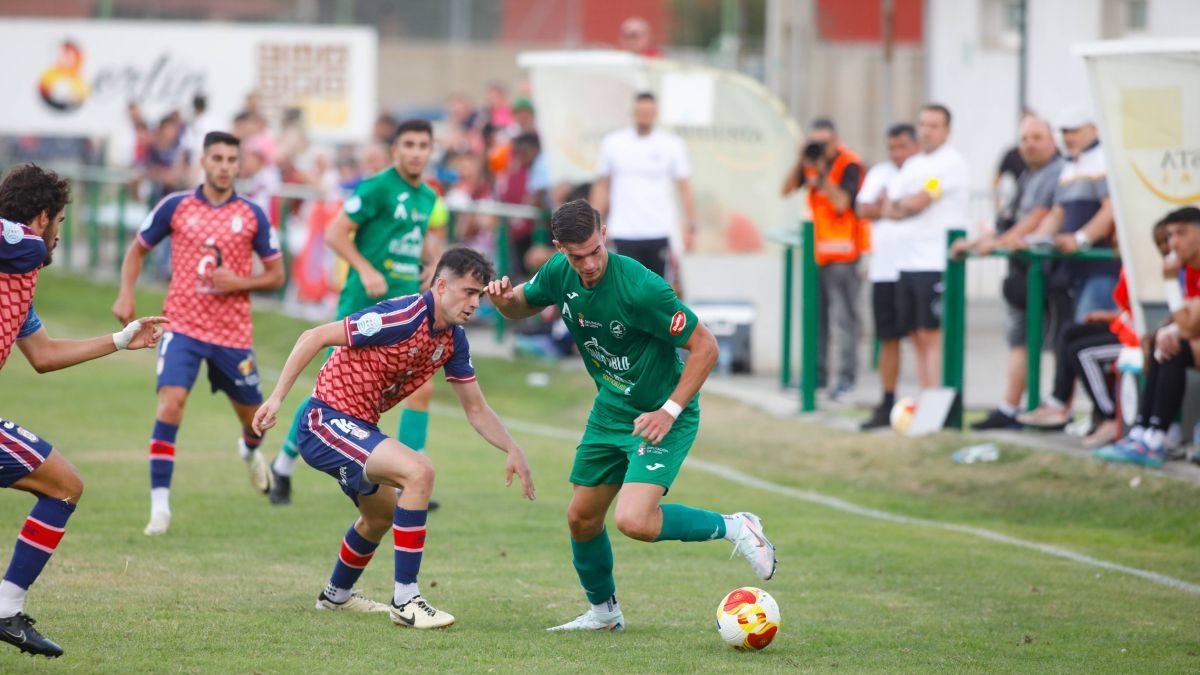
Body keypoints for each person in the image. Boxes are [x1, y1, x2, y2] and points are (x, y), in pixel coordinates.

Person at [485, 199, 776, 633]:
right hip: (611, 409)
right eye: (575, 255)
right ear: (559, 247)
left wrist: (669, 410)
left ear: (604, 234)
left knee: (633, 521)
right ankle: (604, 614)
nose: (587, 264)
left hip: (662, 413)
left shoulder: (641, 287)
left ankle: (736, 526)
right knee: (581, 518)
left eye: (593, 251)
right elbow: (519, 306)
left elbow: (706, 347)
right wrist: (502, 299)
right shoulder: (558, 273)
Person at [252, 247, 534, 628]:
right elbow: (314, 335)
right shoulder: (400, 316)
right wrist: (276, 398)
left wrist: (512, 447)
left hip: (360, 428)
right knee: (419, 472)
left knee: (381, 515)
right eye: (468, 292)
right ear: (441, 285)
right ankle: (406, 599)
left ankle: (336, 596)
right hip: (325, 420)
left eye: (479, 296)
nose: (474, 304)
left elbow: (477, 409)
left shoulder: (453, 340)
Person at [0, 163, 166, 657]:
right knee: (64, 484)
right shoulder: (23, 246)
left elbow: (45, 356)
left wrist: (119, 340)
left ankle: (7, 609)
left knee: (63, 485)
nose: (57, 237)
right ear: (44, 217)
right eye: (60, 224)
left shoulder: (18, 280)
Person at [112, 131, 286, 536]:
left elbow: (277, 274)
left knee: (255, 422)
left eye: (231, 159)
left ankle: (249, 452)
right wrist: (126, 293)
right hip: (183, 327)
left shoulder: (253, 214)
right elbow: (137, 249)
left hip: (232, 334)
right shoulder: (176, 206)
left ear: (238, 165)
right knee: (170, 405)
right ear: (203, 162)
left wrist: (239, 281)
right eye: (217, 158)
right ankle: (160, 508)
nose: (224, 166)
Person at [268, 119, 443, 506]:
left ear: (431, 150)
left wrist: (435, 265)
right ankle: (282, 463)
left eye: (423, 145)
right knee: (330, 395)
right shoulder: (378, 187)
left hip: (406, 312)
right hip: (363, 309)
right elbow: (334, 233)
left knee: (422, 388)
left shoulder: (427, 196)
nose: (416, 152)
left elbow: (417, 238)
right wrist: (365, 269)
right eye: (409, 144)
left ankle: (405, 479)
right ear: (396, 149)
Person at [953, 116, 1064, 430]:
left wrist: (998, 242)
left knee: (1052, 343)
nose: (1029, 144)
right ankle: (1012, 407)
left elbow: (1039, 216)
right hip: (1021, 274)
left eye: (1036, 137)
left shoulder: (1057, 172)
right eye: (1024, 138)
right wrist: (981, 241)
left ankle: (1047, 408)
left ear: (1051, 141)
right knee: (1020, 342)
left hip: (1046, 274)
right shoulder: (1029, 175)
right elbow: (1012, 221)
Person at [1096, 207, 1200, 468]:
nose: (1173, 243)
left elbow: (1188, 327)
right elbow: (1185, 317)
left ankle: (1157, 437)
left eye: (1182, 233)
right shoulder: (1189, 269)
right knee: (1158, 342)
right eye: (1170, 235)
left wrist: (1168, 281)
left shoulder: (1180, 272)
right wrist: (1164, 331)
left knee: (1175, 346)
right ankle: (1144, 432)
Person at [882, 104, 969, 390]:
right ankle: (924, 397)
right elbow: (888, 207)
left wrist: (902, 206)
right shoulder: (914, 164)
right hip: (907, 261)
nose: (927, 131)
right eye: (923, 124)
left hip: (935, 262)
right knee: (915, 335)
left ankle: (936, 400)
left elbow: (919, 203)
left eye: (934, 125)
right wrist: (901, 206)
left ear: (947, 130)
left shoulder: (949, 163)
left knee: (931, 335)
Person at [783, 118, 867, 397]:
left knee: (845, 319)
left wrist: (822, 174)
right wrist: (801, 159)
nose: (821, 148)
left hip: (844, 254)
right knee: (816, 319)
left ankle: (846, 377)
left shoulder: (849, 163)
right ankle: (816, 376)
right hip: (817, 254)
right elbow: (785, 190)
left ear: (836, 139)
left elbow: (844, 203)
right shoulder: (809, 162)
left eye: (824, 142)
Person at [590, 93, 696, 281]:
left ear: (655, 113)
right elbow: (602, 186)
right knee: (626, 287)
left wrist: (690, 225)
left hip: (660, 230)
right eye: (641, 111)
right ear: (633, 112)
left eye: (649, 112)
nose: (644, 116)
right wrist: (594, 225)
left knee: (658, 289)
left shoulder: (672, 144)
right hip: (624, 231)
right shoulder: (613, 143)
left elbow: (684, 187)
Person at [857, 123, 919, 429]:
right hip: (884, 269)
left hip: (917, 266)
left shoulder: (923, 171)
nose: (898, 153)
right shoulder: (880, 173)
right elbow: (864, 208)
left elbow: (914, 207)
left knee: (923, 336)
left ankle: (930, 401)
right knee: (888, 337)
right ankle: (888, 398)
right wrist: (890, 209)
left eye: (903, 146)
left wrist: (888, 206)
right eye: (893, 147)